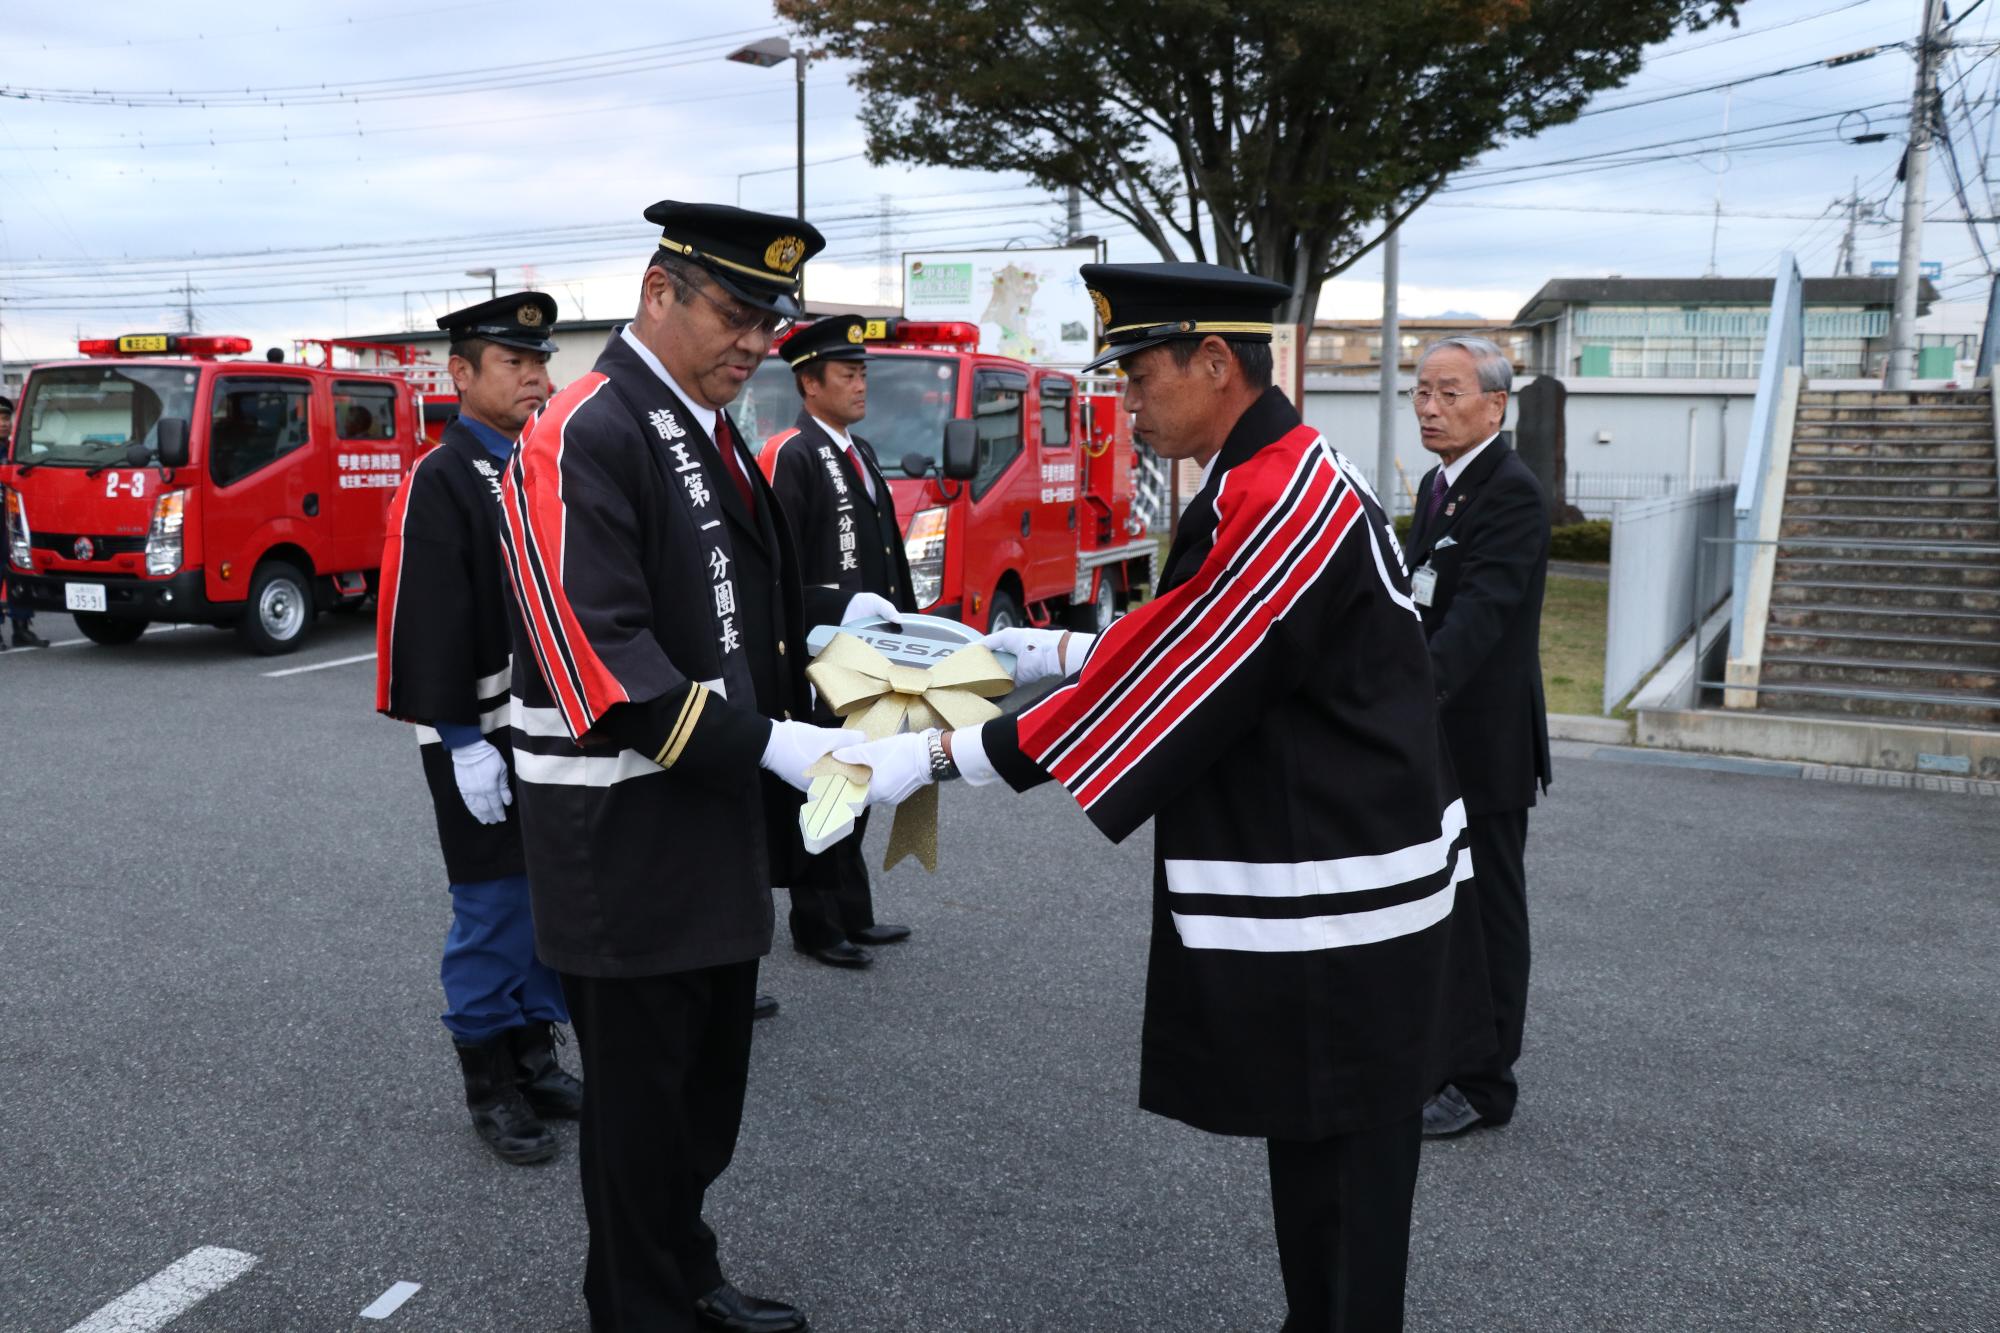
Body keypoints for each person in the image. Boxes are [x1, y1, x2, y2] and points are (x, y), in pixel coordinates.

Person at [836, 261, 1491, 1332]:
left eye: (1138, 377)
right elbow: (1198, 627)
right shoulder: (1272, 468)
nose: (1126, 405)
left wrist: (944, 757)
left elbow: (1187, 672)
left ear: (1214, 361)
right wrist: (1056, 645)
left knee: (1344, 1185)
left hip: (1347, 890)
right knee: (1322, 1156)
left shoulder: (1272, 493)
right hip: (1347, 872)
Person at [498, 200, 887, 1333]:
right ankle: (639, 1306)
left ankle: (684, 1272)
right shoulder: (584, 427)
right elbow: (600, 660)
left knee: (703, 1095)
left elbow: (736, 621)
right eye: (734, 312)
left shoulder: (705, 426)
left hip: (711, 813)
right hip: (622, 831)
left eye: (767, 321)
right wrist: (776, 741)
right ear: (656, 291)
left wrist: (831, 643)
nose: (754, 342)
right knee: (641, 1111)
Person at [375, 292, 583, 1166]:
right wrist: (460, 742)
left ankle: (533, 1053)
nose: (536, 377)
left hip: (550, 726)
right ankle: (488, 1076)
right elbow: (426, 617)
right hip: (482, 732)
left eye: (540, 362)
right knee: (493, 905)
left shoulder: (540, 464)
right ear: (460, 375)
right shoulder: (445, 475)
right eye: (514, 363)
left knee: (548, 895)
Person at [1401, 335, 1552, 1139]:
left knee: (1489, 911)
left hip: (1483, 739)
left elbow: (1480, 618)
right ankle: (1441, 1057)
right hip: (1435, 733)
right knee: (1442, 903)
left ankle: (1485, 1083)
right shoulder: (1438, 483)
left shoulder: (1512, 491)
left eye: (1448, 392)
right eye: (1422, 392)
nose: (1429, 407)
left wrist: (1408, 694)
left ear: (1495, 403)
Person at [758, 314, 915, 969]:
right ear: (809, 382)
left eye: (862, 373)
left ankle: (854, 909)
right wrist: (833, 611)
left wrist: (908, 625)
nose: (860, 385)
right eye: (847, 374)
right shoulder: (794, 454)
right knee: (826, 781)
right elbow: (778, 567)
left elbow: (889, 553)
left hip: (873, 653)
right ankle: (816, 921)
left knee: (864, 773)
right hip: (823, 653)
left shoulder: (861, 451)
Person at [0, 395, 48, 651]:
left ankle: (22, 627)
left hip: (15, 518)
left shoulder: (16, 450)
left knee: (20, 567)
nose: (3, 423)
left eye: (6, 418)